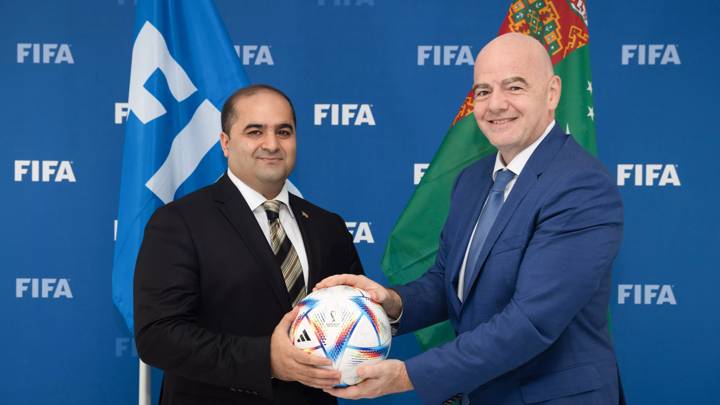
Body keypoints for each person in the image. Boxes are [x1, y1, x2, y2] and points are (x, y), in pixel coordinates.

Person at [316, 33, 624, 404]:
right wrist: (390, 303)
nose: (496, 105)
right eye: (482, 91)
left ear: (552, 92)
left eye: (514, 87)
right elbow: (449, 283)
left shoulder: (580, 186)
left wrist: (407, 374)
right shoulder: (472, 180)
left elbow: (532, 321)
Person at [134, 84, 363, 405]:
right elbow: (158, 337)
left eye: (283, 132)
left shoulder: (329, 227)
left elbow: (355, 318)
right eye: (255, 131)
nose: (272, 144)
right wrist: (265, 359)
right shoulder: (178, 222)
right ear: (225, 143)